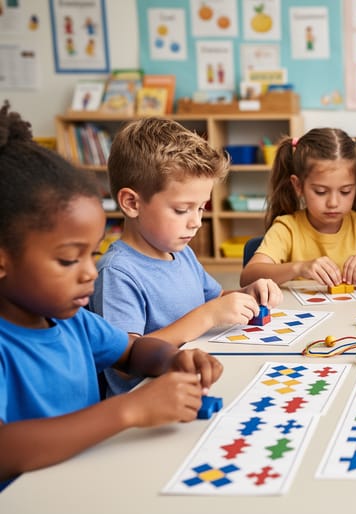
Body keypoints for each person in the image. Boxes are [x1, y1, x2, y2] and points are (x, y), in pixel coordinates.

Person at [0, 101, 223, 491]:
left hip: (90, 480)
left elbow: (131, 352)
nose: (90, 271)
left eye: (92, 252)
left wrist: (174, 359)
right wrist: (128, 410)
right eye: (69, 259)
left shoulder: (71, 319)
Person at [89, 117, 282, 396]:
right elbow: (123, 362)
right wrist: (206, 317)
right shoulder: (118, 272)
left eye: (201, 208)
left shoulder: (181, 253)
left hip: (194, 382)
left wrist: (245, 294)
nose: (196, 222)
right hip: (147, 403)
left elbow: (213, 301)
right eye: (182, 210)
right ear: (132, 203)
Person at [240, 128, 356, 287]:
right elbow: (248, 277)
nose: (333, 202)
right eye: (320, 191)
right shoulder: (287, 228)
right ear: (298, 186)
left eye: (345, 191)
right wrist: (298, 268)